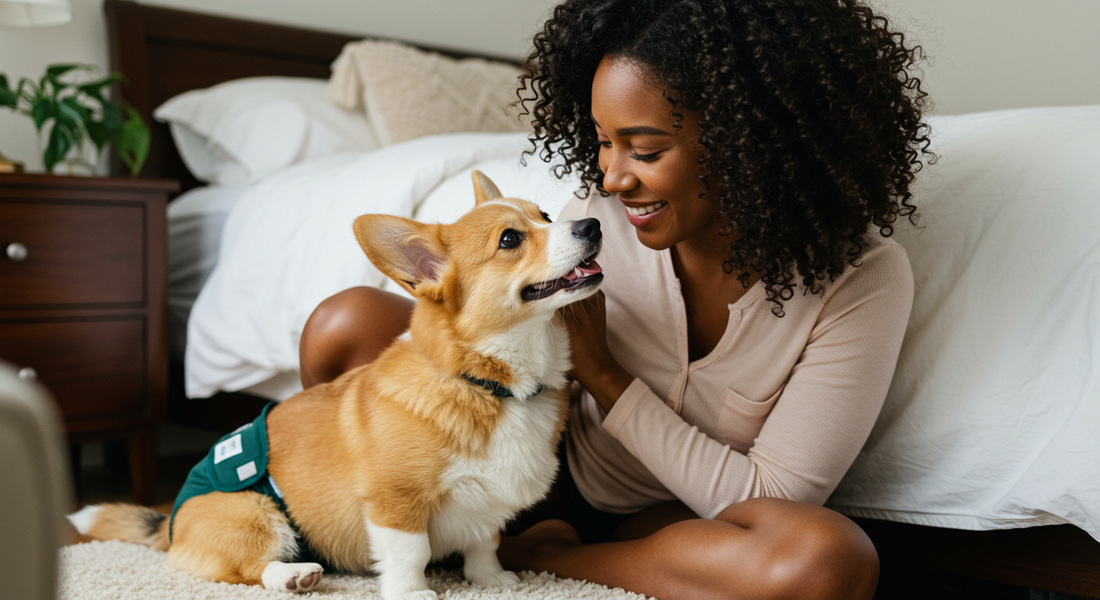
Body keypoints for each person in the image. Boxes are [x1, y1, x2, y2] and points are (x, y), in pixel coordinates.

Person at [299, 0, 932, 598]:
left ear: (751, 140)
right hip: (536, 471)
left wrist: (604, 374)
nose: (613, 177)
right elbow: (492, 343)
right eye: (603, 141)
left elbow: (769, 494)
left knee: (825, 563)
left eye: (646, 149)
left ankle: (543, 558)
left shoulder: (861, 281)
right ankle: (348, 534)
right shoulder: (601, 217)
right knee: (346, 325)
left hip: (666, 525)